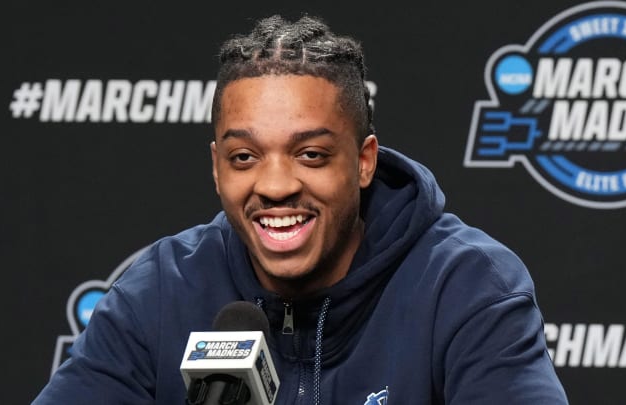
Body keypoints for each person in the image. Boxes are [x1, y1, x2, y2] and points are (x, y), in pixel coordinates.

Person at [33, 14, 568, 404]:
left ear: (363, 162)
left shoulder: (467, 286)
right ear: (217, 168)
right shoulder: (159, 291)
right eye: (245, 157)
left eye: (310, 154)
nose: (275, 185)